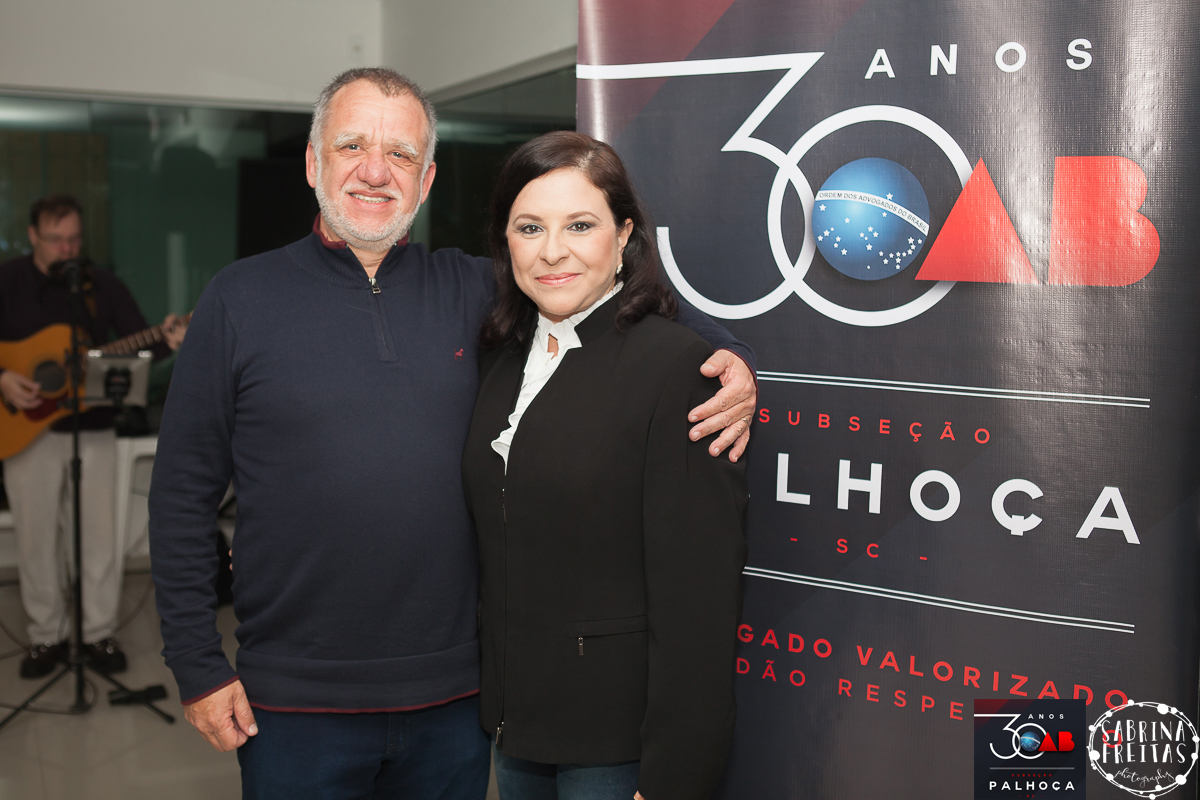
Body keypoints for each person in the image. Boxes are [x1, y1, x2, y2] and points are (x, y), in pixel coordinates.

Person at [149, 68, 757, 799]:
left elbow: (617, 297)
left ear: (427, 178)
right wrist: (197, 666)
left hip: (458, 704)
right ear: (314, 163)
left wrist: (735, 364)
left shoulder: (478, 293)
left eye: (401, 155)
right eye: (352, 147)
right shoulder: (237, 301)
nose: (376, 172)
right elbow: (182, 497)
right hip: (294, 701)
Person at [462, 131, 747, 800]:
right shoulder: (500, 360)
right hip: (517, 724)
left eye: (580, 225)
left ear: (624, 236)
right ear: (505, 240)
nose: (552, 250)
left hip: (621, 744)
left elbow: (700, 601)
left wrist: (676, 773)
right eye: (529, 227)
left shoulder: (678, 369)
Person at [0, 193, 186, 678]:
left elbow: (136, 352)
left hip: (95, 428)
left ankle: (98, 633)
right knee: (37, 539)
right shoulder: (7, 281)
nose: (67, 249)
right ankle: (46, 637)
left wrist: (164, 341)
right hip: (25, 435)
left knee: (100, 536)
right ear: (34, 236)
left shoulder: (102, 286)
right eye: (56, 239)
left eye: (74, 239)